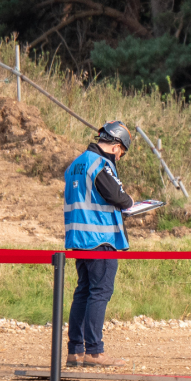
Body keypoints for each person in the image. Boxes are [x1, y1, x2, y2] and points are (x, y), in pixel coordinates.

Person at [63, 121, 135, 367]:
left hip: (80, 239)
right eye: (121, 153)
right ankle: (94, 352)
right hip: (100, 240)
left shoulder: (76, 164)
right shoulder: (99, 164)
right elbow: (117, 197)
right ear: (117, 147)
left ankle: (75, 351)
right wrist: (130, 201)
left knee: (83, 292)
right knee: (99, 293)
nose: (119, 157)